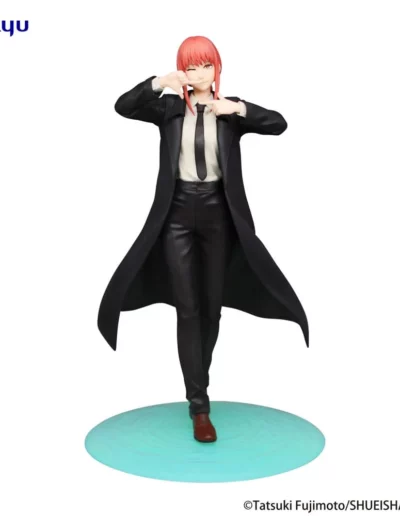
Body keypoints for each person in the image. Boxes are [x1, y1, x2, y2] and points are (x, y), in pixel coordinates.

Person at [97, 35, 309, 443]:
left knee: (212, 309)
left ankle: (199, 378)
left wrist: (240, 108)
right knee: (188, 309)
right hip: (176, 215)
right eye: (191, 66)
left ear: (217, 68)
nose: (199, 73)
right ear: (182, 71)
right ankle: (199, 405)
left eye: (206, 65)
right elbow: (123, 106)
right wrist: (159, 83)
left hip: (218, 216)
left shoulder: (229, 112)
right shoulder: (169, 109)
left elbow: (279, 124)